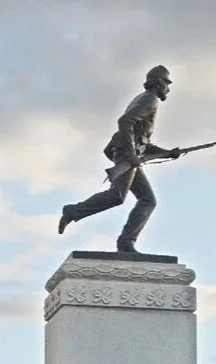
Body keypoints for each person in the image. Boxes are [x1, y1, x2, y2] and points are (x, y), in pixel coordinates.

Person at [58, 65, 180, 253]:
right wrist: (131, 155)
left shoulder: (144, 98)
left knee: (146, 200)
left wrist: (168, 152)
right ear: (159, 83)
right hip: (126, 154)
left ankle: (124, 241)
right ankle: (79, 214)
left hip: (126, 152)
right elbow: (125, 122)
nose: (168, 89)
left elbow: (142, 141)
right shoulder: (150, 99)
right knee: (124, 197)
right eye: (167, 83)